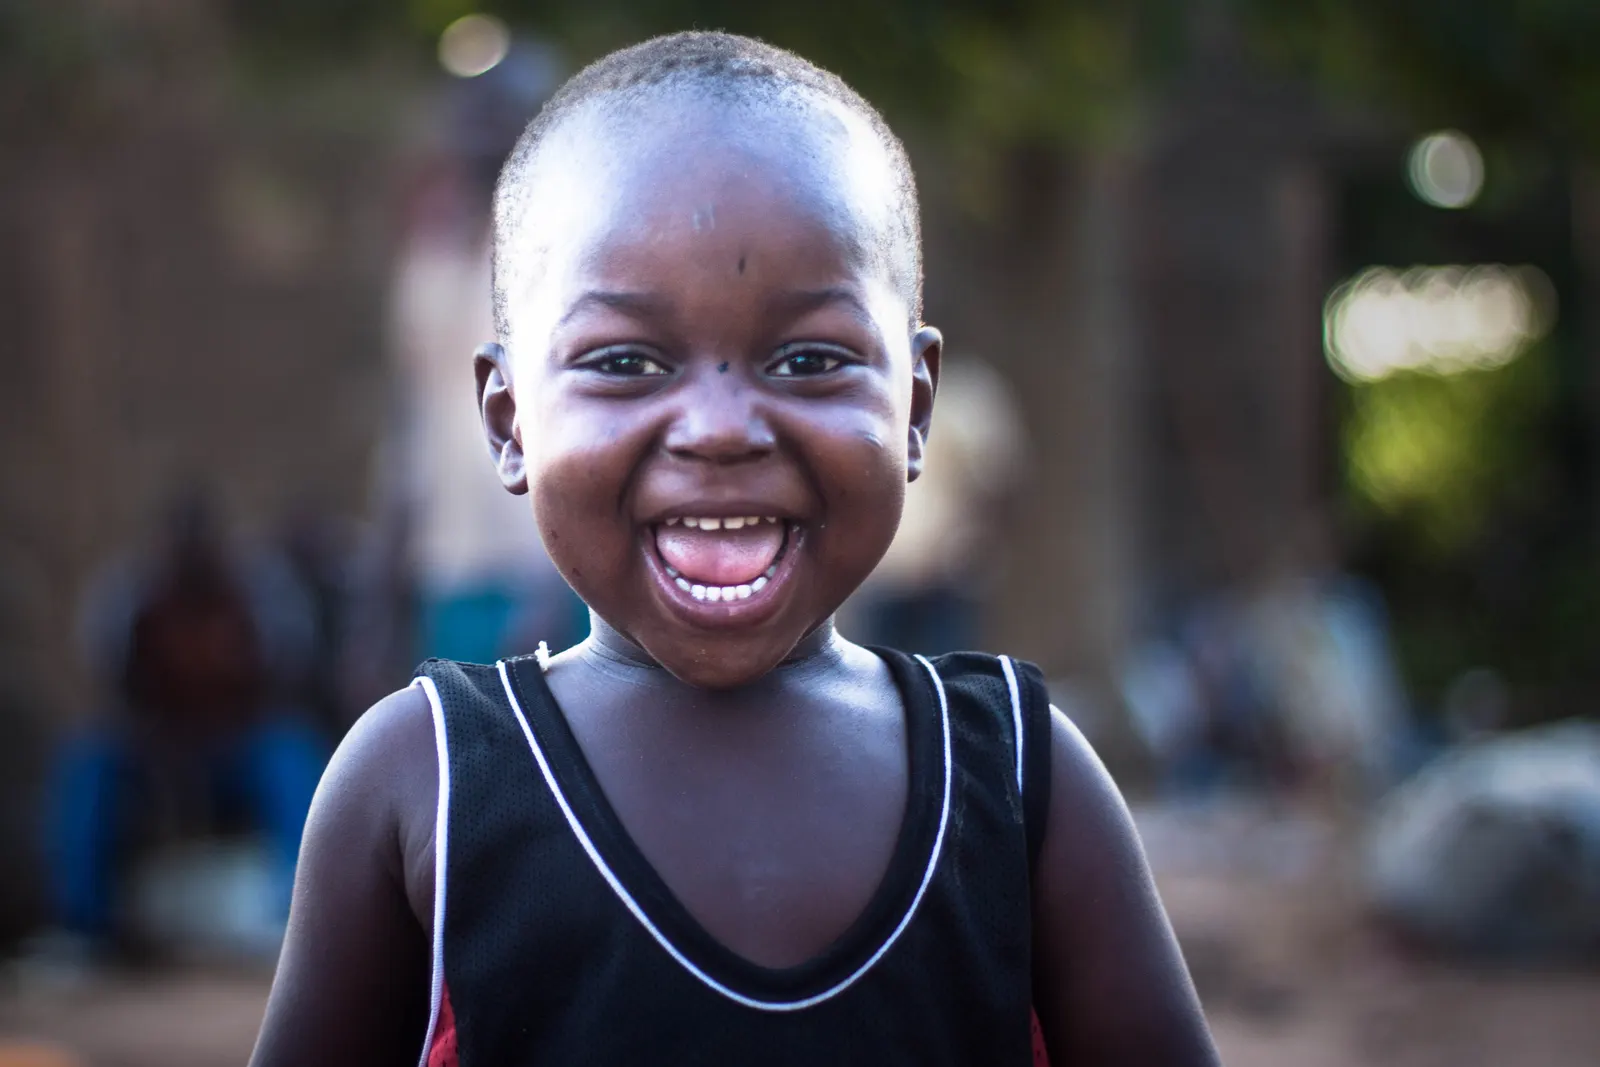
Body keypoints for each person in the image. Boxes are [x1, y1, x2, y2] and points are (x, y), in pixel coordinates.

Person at [250, 33, 1218, 1067]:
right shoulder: (419, 780)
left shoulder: (1025, 778)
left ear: (915, 406)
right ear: (509, 418)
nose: (718, 426)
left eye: (809, 358)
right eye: (623, 361)